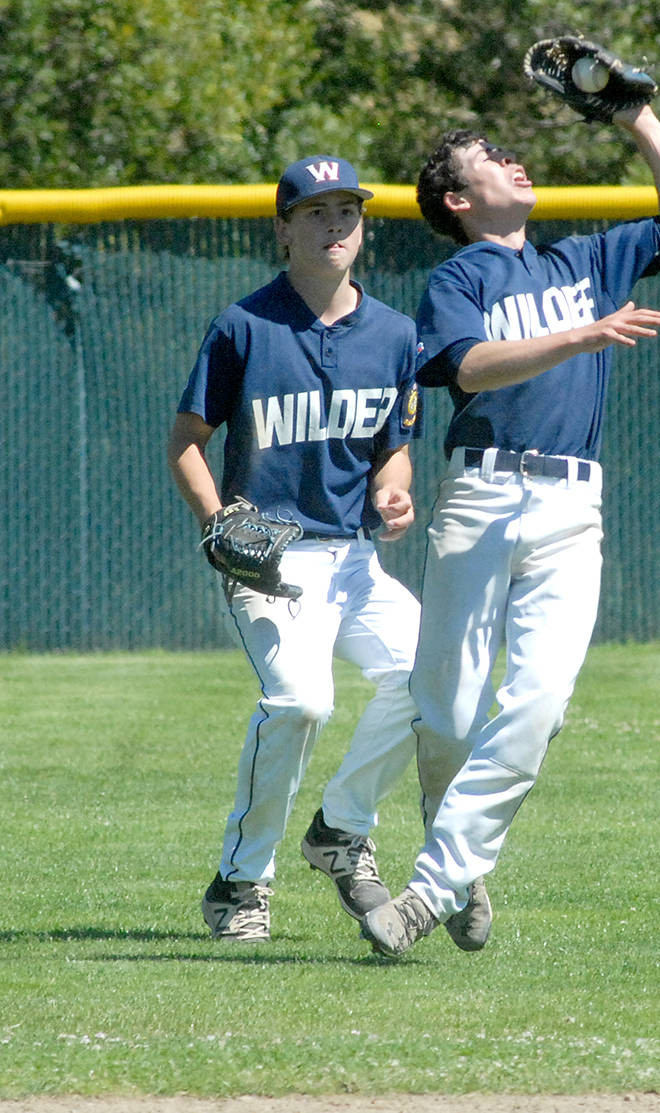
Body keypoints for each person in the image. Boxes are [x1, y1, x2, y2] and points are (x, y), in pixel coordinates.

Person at [360, 102, 660, 956]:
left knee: (540, 703)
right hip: (481, 497)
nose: (516, 160)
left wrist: (639, 119)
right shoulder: (461, 281)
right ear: (457, 200)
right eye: (493, 156)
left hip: (570, 508)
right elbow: (471, 370)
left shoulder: (585, 257)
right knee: (444, 717)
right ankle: (458, 852)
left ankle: (430, 886)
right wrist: (582, 333)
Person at [167, 154, 423, 942]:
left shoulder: (394, 333)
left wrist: (394, 487)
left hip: (353, 558)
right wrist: (216, 523)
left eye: (347, 209)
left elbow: (396, 446)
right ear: (283, 230)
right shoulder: (244, 325)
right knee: (302, 703)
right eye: (314, 211)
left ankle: (339, 828)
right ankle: (240, 882)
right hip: (271, 560)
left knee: (434, 680)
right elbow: (185, 441)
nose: (334, 223)